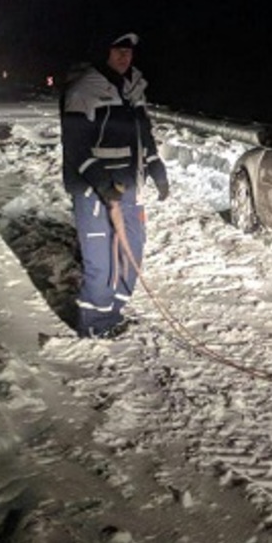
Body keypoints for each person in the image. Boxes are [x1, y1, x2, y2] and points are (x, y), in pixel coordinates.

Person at [60, 31, 170, 338]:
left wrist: (156, 167)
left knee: (132, 252)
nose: (124, 56)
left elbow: (143, 133)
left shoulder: (133, 87)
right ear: (103, 53)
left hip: (129, 188)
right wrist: (101, 183)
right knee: (101, 263)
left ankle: (114, 313)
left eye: (128, 51)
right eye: (117, 50)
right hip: (94, 190)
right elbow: (76, 146)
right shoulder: (84, 90)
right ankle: (93, 324)